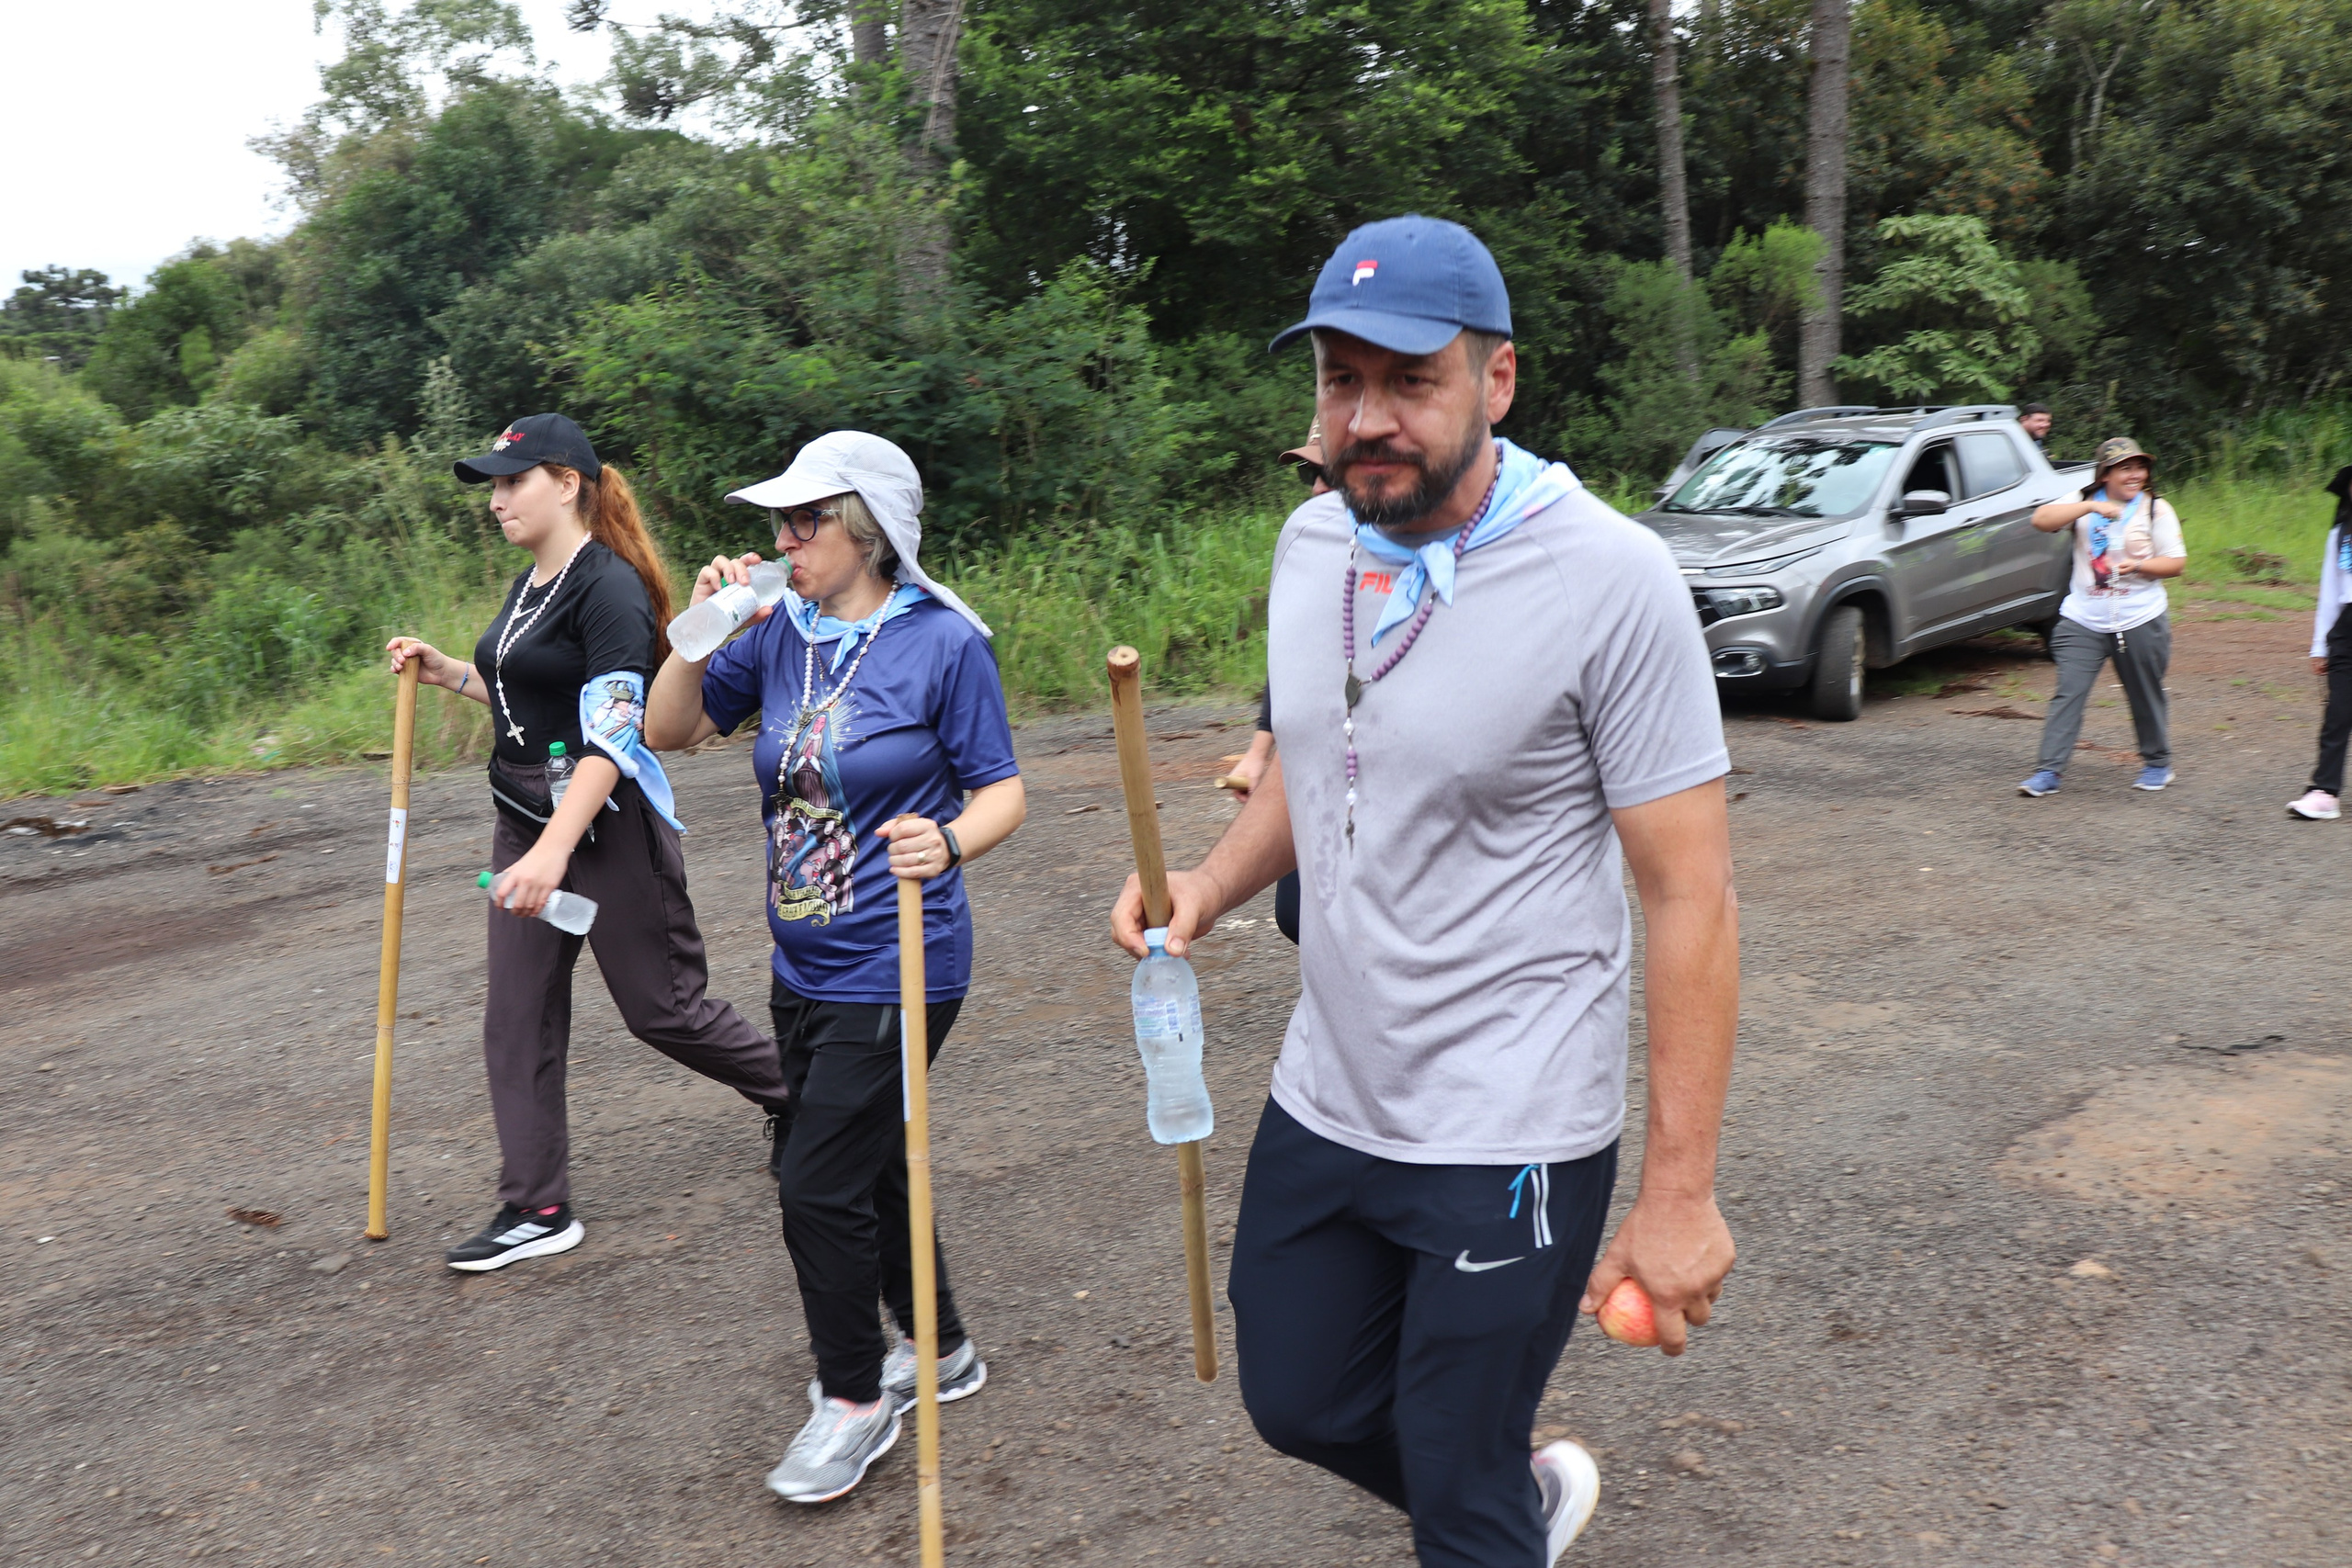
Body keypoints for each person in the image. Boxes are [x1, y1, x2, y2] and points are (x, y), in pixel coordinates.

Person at [1110, 216, 1739, 1568]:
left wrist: (1679, 1190)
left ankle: (1491, 1515)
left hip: (1512, 1119)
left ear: (1495, 382)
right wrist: (1212, 884)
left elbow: (1692, 895)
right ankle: (1517, 1508)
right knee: (1298, 1394)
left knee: (1454, 1485)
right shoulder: (1310, 545)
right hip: (1333, 1085)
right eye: (1342, 380)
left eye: (1411, 380)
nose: (1369, 417)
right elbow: (1321, 759)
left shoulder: (1611, 580)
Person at [642, 431, 1026, 1506]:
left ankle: (854, 1400)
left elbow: (1002, 789)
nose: (782, 540)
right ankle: (941, 1351)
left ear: (865, 530)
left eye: (804, 522)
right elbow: (671, 728)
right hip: (802, 961)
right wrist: (701, 628)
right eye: (779, 522)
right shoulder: (779, 634)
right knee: (872, 1159)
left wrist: (949, 839)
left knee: (814, 1181)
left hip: (904, 959)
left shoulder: (943, 645)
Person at [385, 413, 790, 1273]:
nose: (496, 500)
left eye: (511, 481)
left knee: (664, 1011)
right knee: (516, 1015)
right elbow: (524, 697)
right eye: (492, 484)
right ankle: (536, 1204)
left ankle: (811, 1101)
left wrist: (552, 853)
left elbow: (613, 738)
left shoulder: (605, 587)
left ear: (567, 483)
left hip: (603, 830)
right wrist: (447, 670)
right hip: (525, 819)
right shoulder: (535, 582)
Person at [2017, 436, 2188, 797]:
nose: (2135, 475)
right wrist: (2087, 510)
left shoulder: (2156, 508)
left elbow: (2176, 563)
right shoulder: (2082, 499)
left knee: (2145, 693)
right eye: (2126, 468)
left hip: (2140, 617)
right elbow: (2041, 520)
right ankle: (2048, 771)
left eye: (2140, 468)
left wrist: (2138, 565)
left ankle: (2157, 763)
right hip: (2084, 618)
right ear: (2105, 473)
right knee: (2069, 693)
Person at [1225, 418, 1329, 943]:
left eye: (1328, 474)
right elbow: (1287, 658)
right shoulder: (1308, 542)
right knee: (1296, 912)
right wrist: (1258, 752)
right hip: (1314, 755)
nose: (1315, 488)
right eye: (1311, 474)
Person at [2286, 463, 2352, 819]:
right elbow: (2330, 591)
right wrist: (2319, 646)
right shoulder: (2341, 534)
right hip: (2347, 629)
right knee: (2338, 713)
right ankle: (2325, 791)